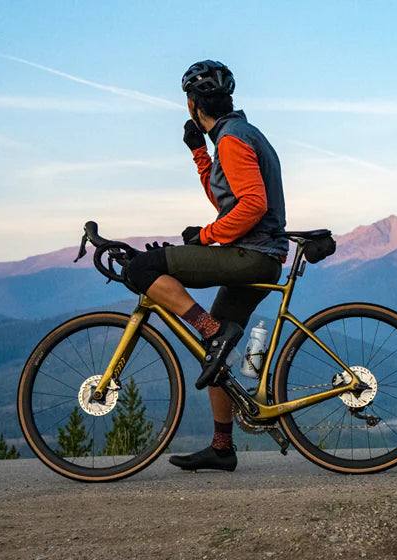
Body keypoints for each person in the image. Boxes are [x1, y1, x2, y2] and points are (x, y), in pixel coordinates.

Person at [119, 60, 287, 472]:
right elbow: (227, 199)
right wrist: (199, 152)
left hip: (250, 256)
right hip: (258, 256)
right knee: (212, 355)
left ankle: (214, 332)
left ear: (194, 105)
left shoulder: (231, 140)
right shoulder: (236, 136)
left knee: (142, 269)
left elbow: (252, 205)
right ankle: (222, 447)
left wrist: (207, 236)